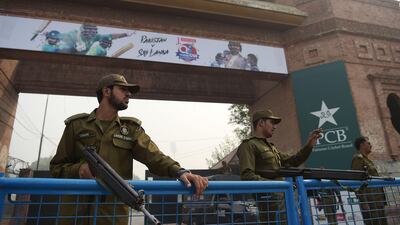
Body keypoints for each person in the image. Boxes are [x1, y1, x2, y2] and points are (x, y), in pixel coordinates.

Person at [50, 73, 208, 225]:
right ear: (106, 91)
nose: (128, 94)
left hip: (112, 216)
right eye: (123, 89)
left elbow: (155, 157)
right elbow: (56, 167)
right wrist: (78, 170)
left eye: (129, 91)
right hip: (75, 214)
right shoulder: (76, 126)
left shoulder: (131, 129)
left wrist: (181, 172)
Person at [237, 109, 322, 225]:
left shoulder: (272, 147)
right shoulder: (248, 145)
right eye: (271, 122)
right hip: (270, 204)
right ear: (261, 123)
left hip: (285, 201)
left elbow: (293, 160)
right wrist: (277, 187)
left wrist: (309, 145)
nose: (275, 127)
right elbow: (247, 176)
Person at [351, 136, 387, 225]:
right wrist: (364, 202)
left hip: (377, 200)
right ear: (362, 145)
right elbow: (357, 181)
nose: (371, 145)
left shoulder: (367, 160)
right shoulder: (358, 159)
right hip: (370, 201)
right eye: (368, 143)